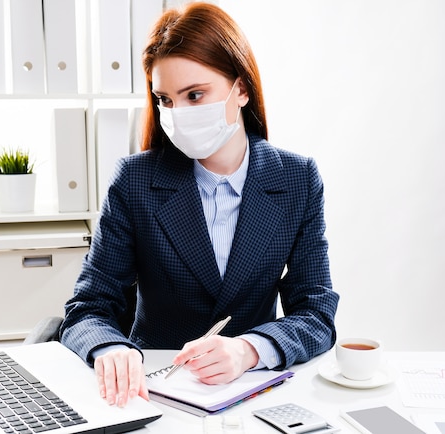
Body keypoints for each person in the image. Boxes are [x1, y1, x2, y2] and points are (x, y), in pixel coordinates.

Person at [60, 2, 339, 408]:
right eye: (166, 100)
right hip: (151, 392)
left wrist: (249, 349)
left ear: (240, 89)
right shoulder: (134, 180)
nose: (178, 114)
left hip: (252, 393)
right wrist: (111, 350)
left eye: (195, 95)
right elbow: (89, 306)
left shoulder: (297, 179)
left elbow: (316, 313)